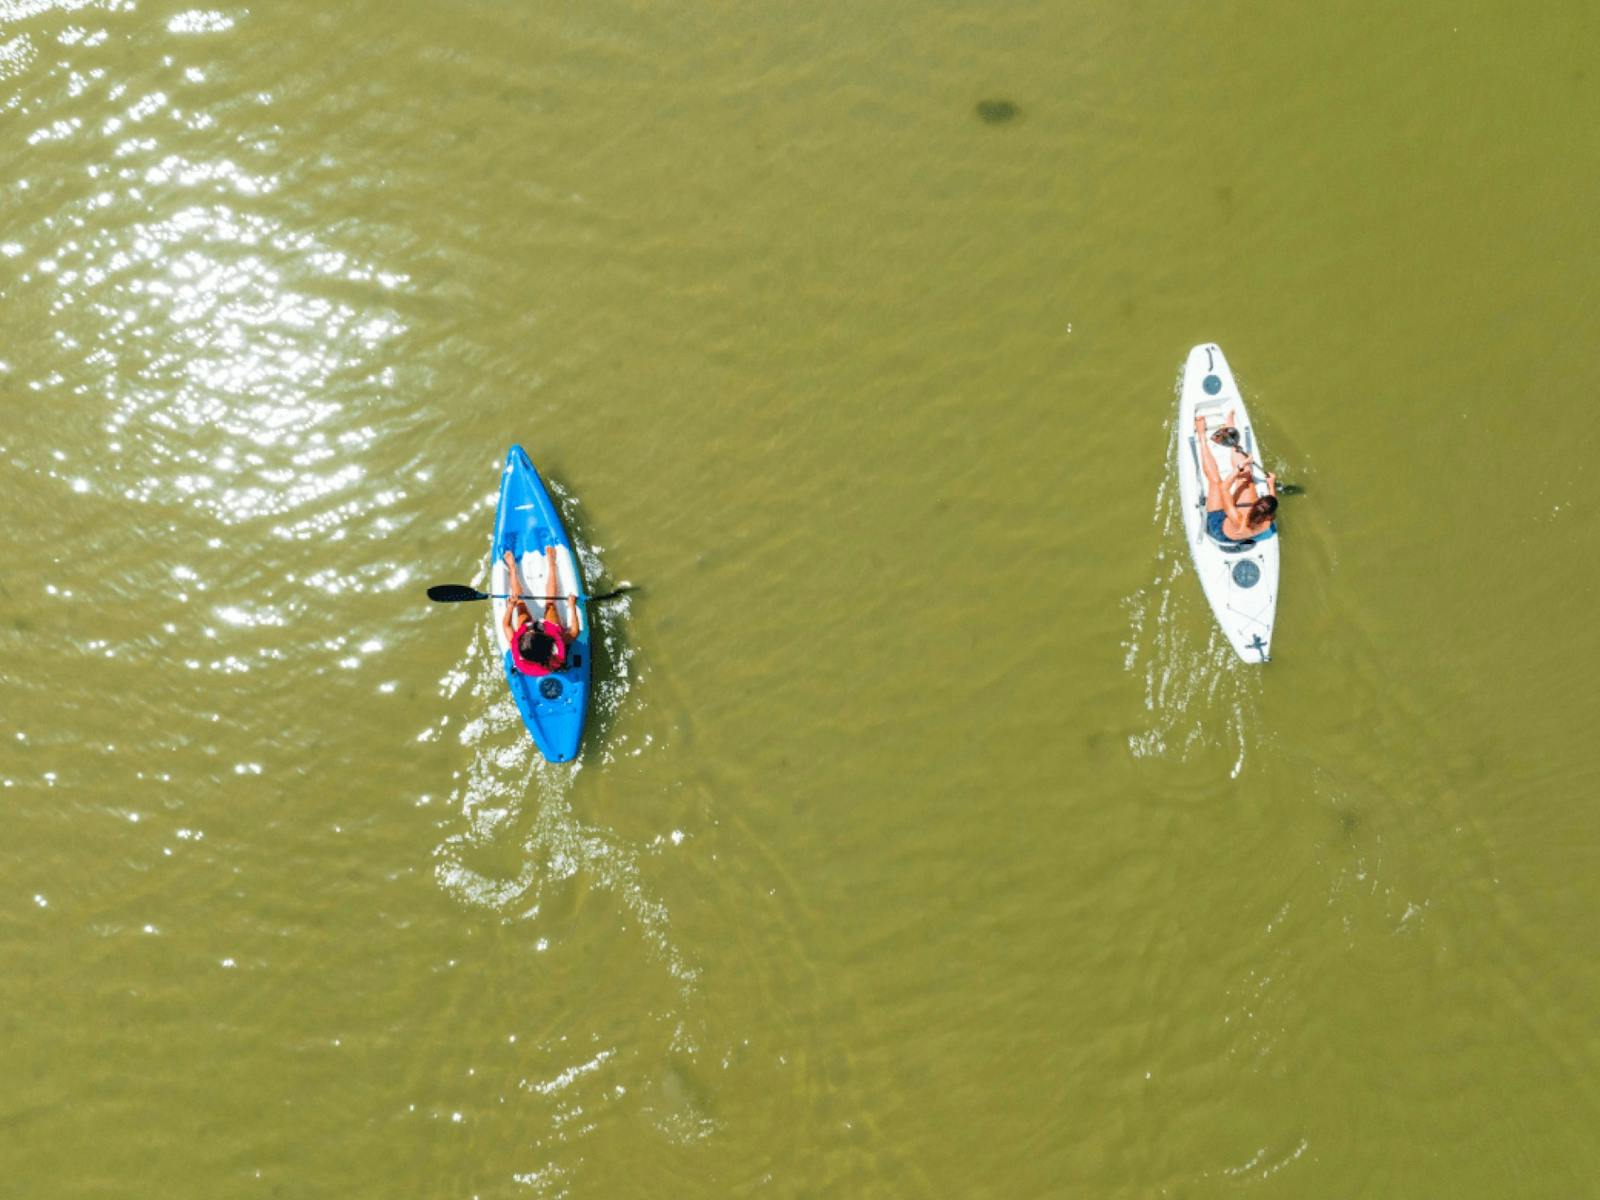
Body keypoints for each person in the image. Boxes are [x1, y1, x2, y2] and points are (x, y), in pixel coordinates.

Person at [1195, 412, 1277, 544]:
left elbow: (1224, 488)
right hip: (1243, 523)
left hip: (1220, 527)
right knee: (1246, 476)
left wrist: (1239, 467)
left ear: (1255, 504)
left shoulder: (1238, 518)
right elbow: (1273, 501)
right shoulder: (1268, 522)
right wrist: (1271, 484)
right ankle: (1230, 431)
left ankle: (1202, 436)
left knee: (1215, 482)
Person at [500, 547, 581, 676]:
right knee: (550, 603)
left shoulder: (518, 646)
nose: (532, 629)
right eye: (532, 632)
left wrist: (510, 606)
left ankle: (512, 568)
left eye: (528, 634)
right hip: (548, 633)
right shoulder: (556, 649)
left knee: (520, 603)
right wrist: (572, 606)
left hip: (536, 640)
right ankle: (552, 564)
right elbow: (575, 632)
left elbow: (506, 625)